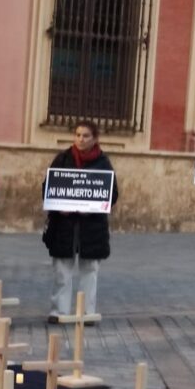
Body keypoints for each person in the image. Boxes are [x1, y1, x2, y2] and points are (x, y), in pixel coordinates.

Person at [42, 121, 118, 324]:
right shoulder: (62, 159)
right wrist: (58, 206)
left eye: (85, 136)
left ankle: (87, 313)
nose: (81, 139)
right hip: (64, 226)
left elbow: (112, 193)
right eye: (77, 135)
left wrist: (91, 206)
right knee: (61, 270)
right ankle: (59, 311)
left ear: (94, 139)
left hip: (91, 227)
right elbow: (48, 187)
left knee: (90, 270)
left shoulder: (103, 162)